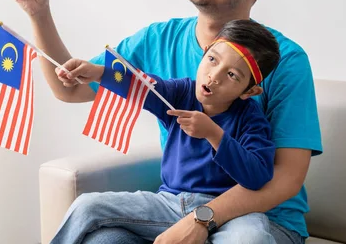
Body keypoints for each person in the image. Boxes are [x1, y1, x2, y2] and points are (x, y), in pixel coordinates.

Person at [12, 0, 322, 244]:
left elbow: (286, 179)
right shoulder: (157, 40)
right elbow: (70, 87)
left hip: (262, 221)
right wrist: (39, 12)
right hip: (174, 206)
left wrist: (202, 220)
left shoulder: (284, 60)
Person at [50, 19, 281, 244]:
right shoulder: (181, 93)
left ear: (249, 91)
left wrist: (214, 134)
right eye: (212, 59)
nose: (215, 76)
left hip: (229, 215)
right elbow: (145, 87)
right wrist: (101, 73)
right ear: (205, 53)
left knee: (252, 238)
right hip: (170, 204)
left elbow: (257, 176)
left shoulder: (252, 120)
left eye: (232, 75)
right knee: (86, 206)